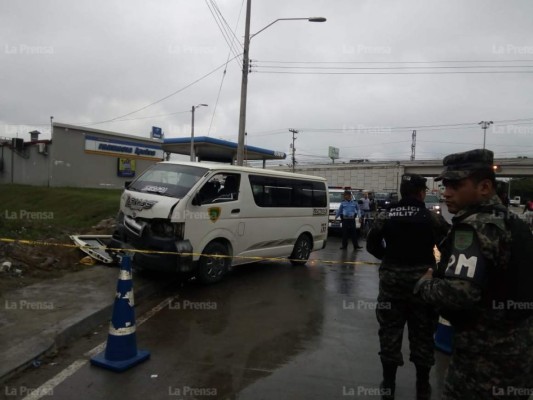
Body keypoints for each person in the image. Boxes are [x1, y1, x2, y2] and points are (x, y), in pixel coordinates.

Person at [415, 149, 533, 399]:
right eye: (445, 185)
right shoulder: (515, 223)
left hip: (482, 359)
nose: (446, 192)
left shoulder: (473, 227)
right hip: (519, 353)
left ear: (484, 187)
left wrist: (425, 285)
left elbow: (458, 295)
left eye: (456, 185)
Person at [366, 173, 450, 400]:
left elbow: (371, 244)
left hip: (391, 286)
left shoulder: (387, 214)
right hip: (423, 286)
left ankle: (389, 384)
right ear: (422, 193)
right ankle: (422, 386)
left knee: (390, 333)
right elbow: (449, 246)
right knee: (423, 334)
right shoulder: (430, 217)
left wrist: (389, 260)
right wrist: (437, 270)